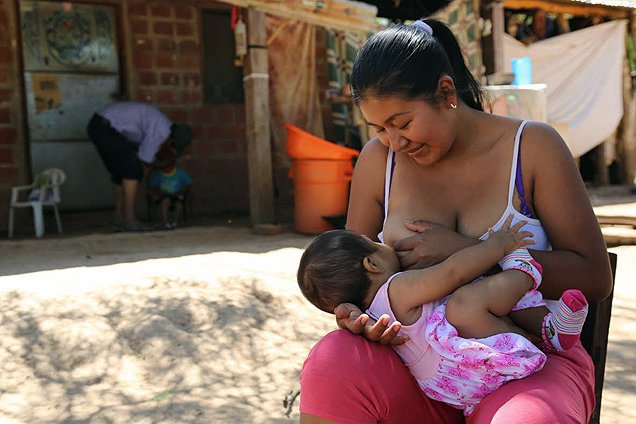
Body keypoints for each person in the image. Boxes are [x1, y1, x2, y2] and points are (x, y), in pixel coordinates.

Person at [299, 19, 613, 424]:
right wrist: (357, 317)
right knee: (333, 360)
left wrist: (468, 252)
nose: (395, 142)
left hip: (527, 360)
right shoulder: (380, 161)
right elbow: (353, 271)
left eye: (403, 122)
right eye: (379, 128)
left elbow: (594, 276)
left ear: (446, 92)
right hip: (425, 370)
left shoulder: (532, 148)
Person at [298, 220, 589, 416]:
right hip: (470, 363)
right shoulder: (397, 289)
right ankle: (524, 271)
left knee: (467, 303)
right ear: (372, 263)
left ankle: (547, 329)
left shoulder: (373, 311)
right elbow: (452, 272)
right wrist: (496, 246)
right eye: (374, 243)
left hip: (452, 388)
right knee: (466, 301)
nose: (383, 243)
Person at [87, 101, 192, 231]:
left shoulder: (160, 124)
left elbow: (142, 154)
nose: (167, 149)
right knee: (132, 170)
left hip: (98, 125)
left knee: (120, 174)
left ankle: (119, 218)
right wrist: (147, 177)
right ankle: (130, 220)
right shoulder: (161, 131)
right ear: (172, 139)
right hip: (106, 128)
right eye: (171, 147)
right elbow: (144, 161)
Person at [147, 145, 193, 229]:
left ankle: (175, 222)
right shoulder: (157, 174)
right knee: (165, 202)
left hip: (177, 194)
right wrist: (158, 192)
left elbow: (189, 183)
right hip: (164, 195)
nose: (165, 170)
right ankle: (165, 222)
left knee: (179, 205)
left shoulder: (180, 173)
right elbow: (153, 187)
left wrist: (183, 191)